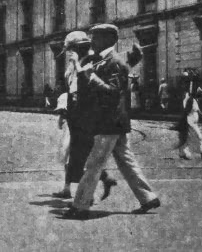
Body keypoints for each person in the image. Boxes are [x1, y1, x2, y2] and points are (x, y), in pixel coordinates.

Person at [63, 24, 160, 219]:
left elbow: (112, 91)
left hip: (109, 122)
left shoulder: (113, 62)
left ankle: (80, 206)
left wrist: (87, 73)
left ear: (108, 39)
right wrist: (83, 69)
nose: (92, 42)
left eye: (96, 38)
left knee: (94, 164)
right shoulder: (104, 60)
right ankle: (148, 197)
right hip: (113, 122)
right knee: (126, 161)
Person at [53, 31, 117, 201]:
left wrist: (76, 64)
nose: (70, 52)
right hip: (75, 113)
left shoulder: (89, 61)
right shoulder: (74, 64)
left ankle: (91, 192)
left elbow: (85, 88)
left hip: (86, 114)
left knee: (82, 153)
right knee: (74, 151)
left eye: (73, 48)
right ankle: (72, 188)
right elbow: (69, 88)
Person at [178, 83, 202, 161]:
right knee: (199, 137)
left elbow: (199, 111)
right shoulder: (190, 100)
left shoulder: (195, 101)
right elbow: (186, 111)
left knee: (189, 138)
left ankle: (182, 153)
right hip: (190, 122)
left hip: (193, 123)